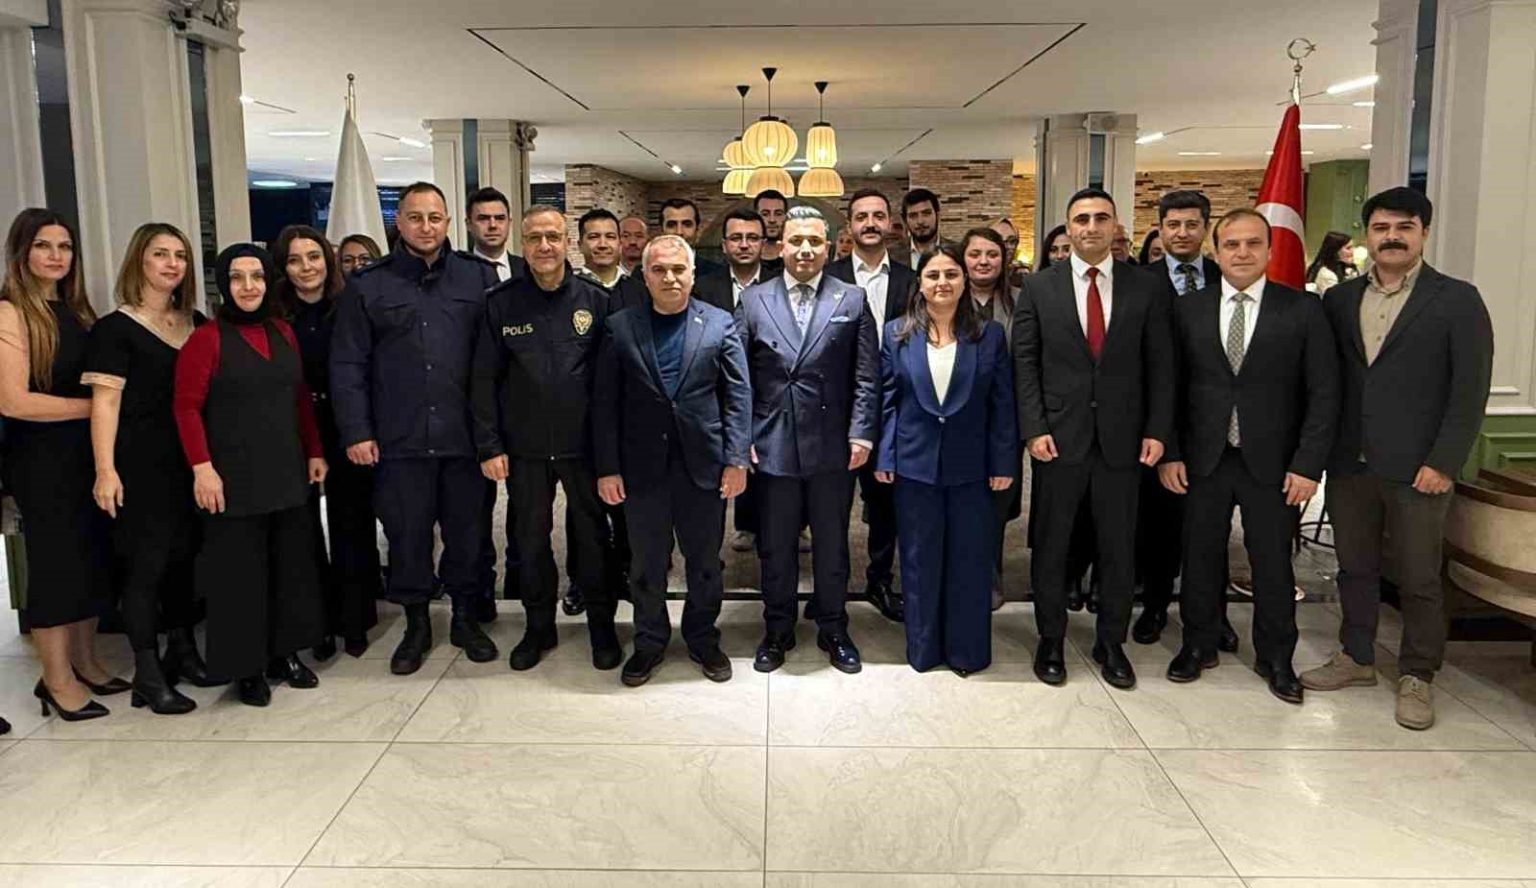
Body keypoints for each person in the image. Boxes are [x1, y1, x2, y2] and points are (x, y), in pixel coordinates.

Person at [1301, 187, 1494, 731]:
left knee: (1418, 576)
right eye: (1382, 227)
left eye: (1404, 227)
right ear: (1367, 234)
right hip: (1350, 463)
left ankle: (1417, 674)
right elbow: (1327, 384)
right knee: (1354, 568)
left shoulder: (1457, 300)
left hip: (1418, 468)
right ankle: (1357, 656)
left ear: (1424, 233)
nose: (1392, 237)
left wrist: (1444, 462)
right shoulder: (1339, 301)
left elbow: (1469, 391)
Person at [1158, 209, 1339, 703]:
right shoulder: (1187, 309)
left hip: (1275, 464)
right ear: (1215, 251)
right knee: (1200, 557)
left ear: (1269, 250)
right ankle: (1198, 644)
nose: (1242, 253)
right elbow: (1169, 386)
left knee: (1272, 563)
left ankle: (1276, 656)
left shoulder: (1302, 309)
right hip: (1203, 458)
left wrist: (1308, 464)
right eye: (1232, 244)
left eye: (1253, 243)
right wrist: (1170, 451)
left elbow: (1324, 393)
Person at [331, 181, 500, 676]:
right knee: (406, 537)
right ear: (399, 222)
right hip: (398, 439)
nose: (426, 227)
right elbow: (348, 364)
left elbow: (495, 362)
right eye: (415, 217)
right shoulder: (368, 285)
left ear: (448, 222)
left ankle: (465, 619)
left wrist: (495, 436)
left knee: (468, 536)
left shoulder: (479, 277)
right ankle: (417, 624)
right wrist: (357, 431)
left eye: (434, 217)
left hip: (465, 439)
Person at [1012, 187, 1174, 690]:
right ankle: (1051, 639)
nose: (1091, 227)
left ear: (1115, 226)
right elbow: (1025, 364)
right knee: (1052, 546)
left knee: (1118, 547)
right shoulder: (1039, 287)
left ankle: (1111, 641)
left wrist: (1158, 429)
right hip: (1058, 439)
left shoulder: (1146, 287)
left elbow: (1161, 365)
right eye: (1081, 219)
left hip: (1124, 441)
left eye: (1101, 218)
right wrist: (1034, 428)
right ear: (1068, 227)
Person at [594, 234, 752, 686]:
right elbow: (604, 403)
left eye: (678, 269)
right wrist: (607, 467)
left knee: (705, 562)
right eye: (659, 270)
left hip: (703, 466)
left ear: (693, 274)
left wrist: (736, 459)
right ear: (645, 276)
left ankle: (702, 637)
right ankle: (649, 641)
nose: (670, 278)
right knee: (646, 564)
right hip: (641, 469)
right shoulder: (620, 326)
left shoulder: (719, 323)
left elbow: (738, 395)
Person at [174, 243, 327, 706]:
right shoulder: (206, 339)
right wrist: (202, 469)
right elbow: (186, 408)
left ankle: (285, 654)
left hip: (285, 470)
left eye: (256, 277)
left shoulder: (283, 331)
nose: (248, 287)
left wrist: (315, 451)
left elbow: (299, 398)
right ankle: (246, 668)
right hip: (231, 478)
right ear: (224, 284)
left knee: (289, 567)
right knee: (239, 577)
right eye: (237, 278)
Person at [472, 204, 621, 672]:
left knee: (594, 540)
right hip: (525, 448)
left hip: (584, 447)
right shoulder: (500, 303)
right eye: (535, 237)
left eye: (553, 237)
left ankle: (601, 626)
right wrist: (490, 445)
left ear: (567, 242)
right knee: (530, 540)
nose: (544, 246)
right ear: (523, 242)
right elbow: (483, 379)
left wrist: (611, 452)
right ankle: (538, 628)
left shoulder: (596, 301)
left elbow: (611, 383)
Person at [736, 205, 879, 674]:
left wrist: (862, 431)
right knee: (775, 546)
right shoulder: (754, 300)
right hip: (771, 442)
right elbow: (737, 377)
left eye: (814, 241)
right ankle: (777, 629)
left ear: (829, 247)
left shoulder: (851, 299)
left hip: (832, 444)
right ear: (780, 247)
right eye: (795, 241)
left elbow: (867, 376)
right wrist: (741, 435)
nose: (804, 250)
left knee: (833, 545)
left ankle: (834, 627)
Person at [84, 222, 213, 715]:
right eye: (161, 253)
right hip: (139, 465)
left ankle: (183, 649)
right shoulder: (114, 329)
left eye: (180, 255)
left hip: (190, 462)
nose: (172, 264)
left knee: (184, 560)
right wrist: (105, 470)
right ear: (139, 259)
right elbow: (105, 404)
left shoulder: (195, 322)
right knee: (146, 567)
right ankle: (148, 671)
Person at [876, 245, 1016, 675]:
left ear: (964, 280)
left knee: (969, 560)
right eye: (933, 275)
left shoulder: (990, 335)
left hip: (972, 466)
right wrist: (886, 455)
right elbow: (887, 401)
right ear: (919, 283)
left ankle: (966, 651)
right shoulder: (897, 333)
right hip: (913, 465)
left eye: (951, 274)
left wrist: (1003, 463)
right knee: (919, 560)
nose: (942, 283)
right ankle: (924, 649)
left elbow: (1002, 404)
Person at [0, 208, 115, 722]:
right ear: (21, 253)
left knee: (89, 558)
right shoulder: (10, 313)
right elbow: (14, 401)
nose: (55, 256)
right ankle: (56, 679)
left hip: (85, 455)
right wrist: (97, 409)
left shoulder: (76, 311)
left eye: (64, 247)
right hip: (40, 459)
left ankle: (86, 661)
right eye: (43, 246)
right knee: (54, 566)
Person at [1133, 190, 1237, 650]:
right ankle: (1155, 607)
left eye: (1192, 224)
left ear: (1206, 229)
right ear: (1159, 229)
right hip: (1158, 426)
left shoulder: (1226, 276)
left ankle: (1215, 614)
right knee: (1159, 527)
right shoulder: (1139, 282)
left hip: (1218, 424)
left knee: (1213, 529)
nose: (1182, 233)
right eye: (1173, 225)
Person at [273, 225, 381, 659]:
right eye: (294, 260)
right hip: (291, 428)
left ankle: (354, 619)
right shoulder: (273, 314)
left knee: (351, 524)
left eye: (314, 257)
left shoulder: (350, 305)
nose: (306, 267)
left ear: (328, 260)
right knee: (302, 530)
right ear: (283, 267)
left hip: (345, 425)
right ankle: (315, 622)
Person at [826, 189, 916, 623]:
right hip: (835, 411)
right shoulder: (828, 278)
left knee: (885, 506)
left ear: (890, 224)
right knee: (832, 507)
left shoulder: (911, 280)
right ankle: (832, 587)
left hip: (893, 409)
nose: (870, 223)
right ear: (849, 225)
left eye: (878, 215)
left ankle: (879, 579)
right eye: (861, 216)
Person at [961, 227, 1022, 610]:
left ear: (1004, 259)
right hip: (959, 421)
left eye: (992, 254)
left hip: (1007, 419)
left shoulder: (1023, 301)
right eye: (975, 254)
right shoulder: (947, 297)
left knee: (998, 504)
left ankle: (989, 576)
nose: (984, 261)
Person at [465, 186, 526, 283]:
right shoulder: (455, 272)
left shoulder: (529, 269)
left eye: (500, 218)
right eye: (483, 218)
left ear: (509, 223)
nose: (493, 225)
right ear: (468, 225)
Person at [659, 198, 723, 277]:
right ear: (661, 230)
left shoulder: (717, 273)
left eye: (687, 225)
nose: (679, 232)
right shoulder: (646, 273)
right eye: (671, 225)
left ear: (697, 229)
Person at [901, 188, 945, 266]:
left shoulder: (958, 251)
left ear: (937, 215)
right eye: (913, 216)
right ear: (905, 220)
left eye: (926, 213)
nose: (920, 221)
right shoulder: (891, 254)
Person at [1307, 230, 1357, 294]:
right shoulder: (1327, 275)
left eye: (1352, 247)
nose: (1352, 252)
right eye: (1348, 248)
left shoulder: (1348, 270)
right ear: (1335, 251)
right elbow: (1337, 298)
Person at [754, 189, 789, 274]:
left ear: (785, 217)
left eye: (778, 214)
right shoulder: (745, 257)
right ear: (756, 217)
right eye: (765, 214)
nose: (772, 220)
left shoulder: (795, 258)